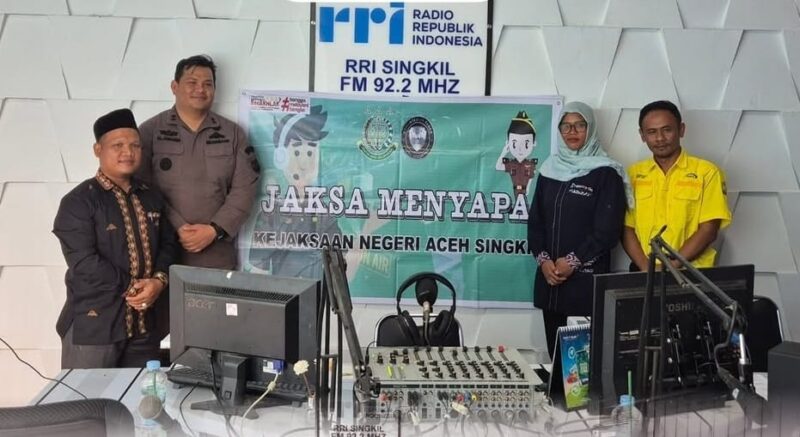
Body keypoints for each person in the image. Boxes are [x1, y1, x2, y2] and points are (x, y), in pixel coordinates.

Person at [53, 109, 178, 368]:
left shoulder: (151, 196)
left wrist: (158, 282)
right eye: (118, 145)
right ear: (97, 149)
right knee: (86, 403)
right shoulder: (79, 201)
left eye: (134, 145)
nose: (128, 152)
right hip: (94, 324)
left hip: (144, 324)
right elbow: (84, 262)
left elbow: (169, 244)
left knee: (141, 401)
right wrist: (134, 288)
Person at [527, 101, 631, 358]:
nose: (572, 132)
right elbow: (535, 222)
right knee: (556, 362)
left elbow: (607, 232)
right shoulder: (549, 169)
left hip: (584, 283)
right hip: (550, 281)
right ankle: (556, 399)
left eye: (580, 125)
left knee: (581, 368)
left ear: (591, 129)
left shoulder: (606, 173)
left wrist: (572, 261)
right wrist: (544, 262)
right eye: (566, 126)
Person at [137, 55, 260, 269]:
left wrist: (214, 230)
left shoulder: (233, 134)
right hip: (162, 248)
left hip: (216, 250)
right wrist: (178, 227)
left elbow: (245, 188)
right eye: (192, 83)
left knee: (217, 302)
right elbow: (141, 186)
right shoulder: (150, 132)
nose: (200, 90)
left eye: (207, 84)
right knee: (166, 303)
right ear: (174, 87)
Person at [622, 100, 731, 271]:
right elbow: (626, 228)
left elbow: (709, 229)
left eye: (667, 130)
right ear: (642, 135)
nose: (660, 138)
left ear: (681, 130)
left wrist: (673, 265)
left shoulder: (707, 172)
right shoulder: (632, 174)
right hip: (644, 272)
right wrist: (645, 267)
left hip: (694, 272)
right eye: (651, 132)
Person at [496, 111, 538, 197]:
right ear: (508, 143)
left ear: (534, 143)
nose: (520, 148)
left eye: (526, 144)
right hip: (514, 191)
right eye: (514, 144)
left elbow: (531, 178)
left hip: (525, 192)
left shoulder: (530, 164)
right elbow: (498, 166)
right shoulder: (511, 164)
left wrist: (528, 189)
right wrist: (503, 153)